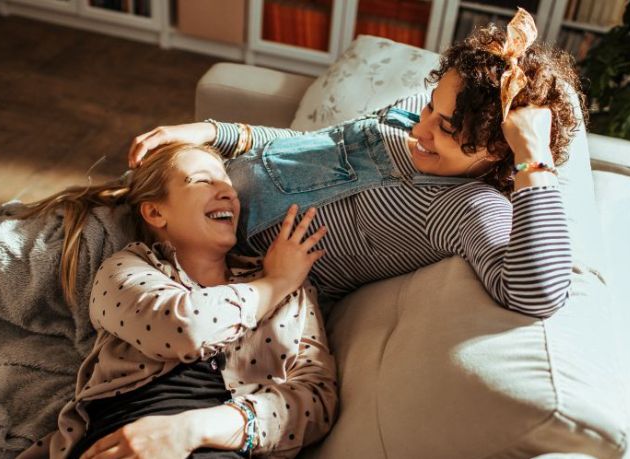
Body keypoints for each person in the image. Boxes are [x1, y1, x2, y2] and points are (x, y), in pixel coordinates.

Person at [128, 9, 580, 320]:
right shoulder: (409, 114)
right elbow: (307, 147)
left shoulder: (465, 208)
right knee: (93, 209)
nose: (421, 129)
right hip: (197, 189)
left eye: (445, 128)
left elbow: (536, 294)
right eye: (431, 106)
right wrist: (211, 133)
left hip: (208, 269)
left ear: (497, 149)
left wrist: (533, 157)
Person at [17, 142, 337, 459]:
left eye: (227, 183)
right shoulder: (124, 269)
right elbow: (184, 328)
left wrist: (195, 429)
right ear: (156, 212)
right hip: (123, 437)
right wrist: (274, 284)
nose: (228, 192)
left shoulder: (290, 288)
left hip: (226, 444)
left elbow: (317, 399)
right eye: (202, 180)